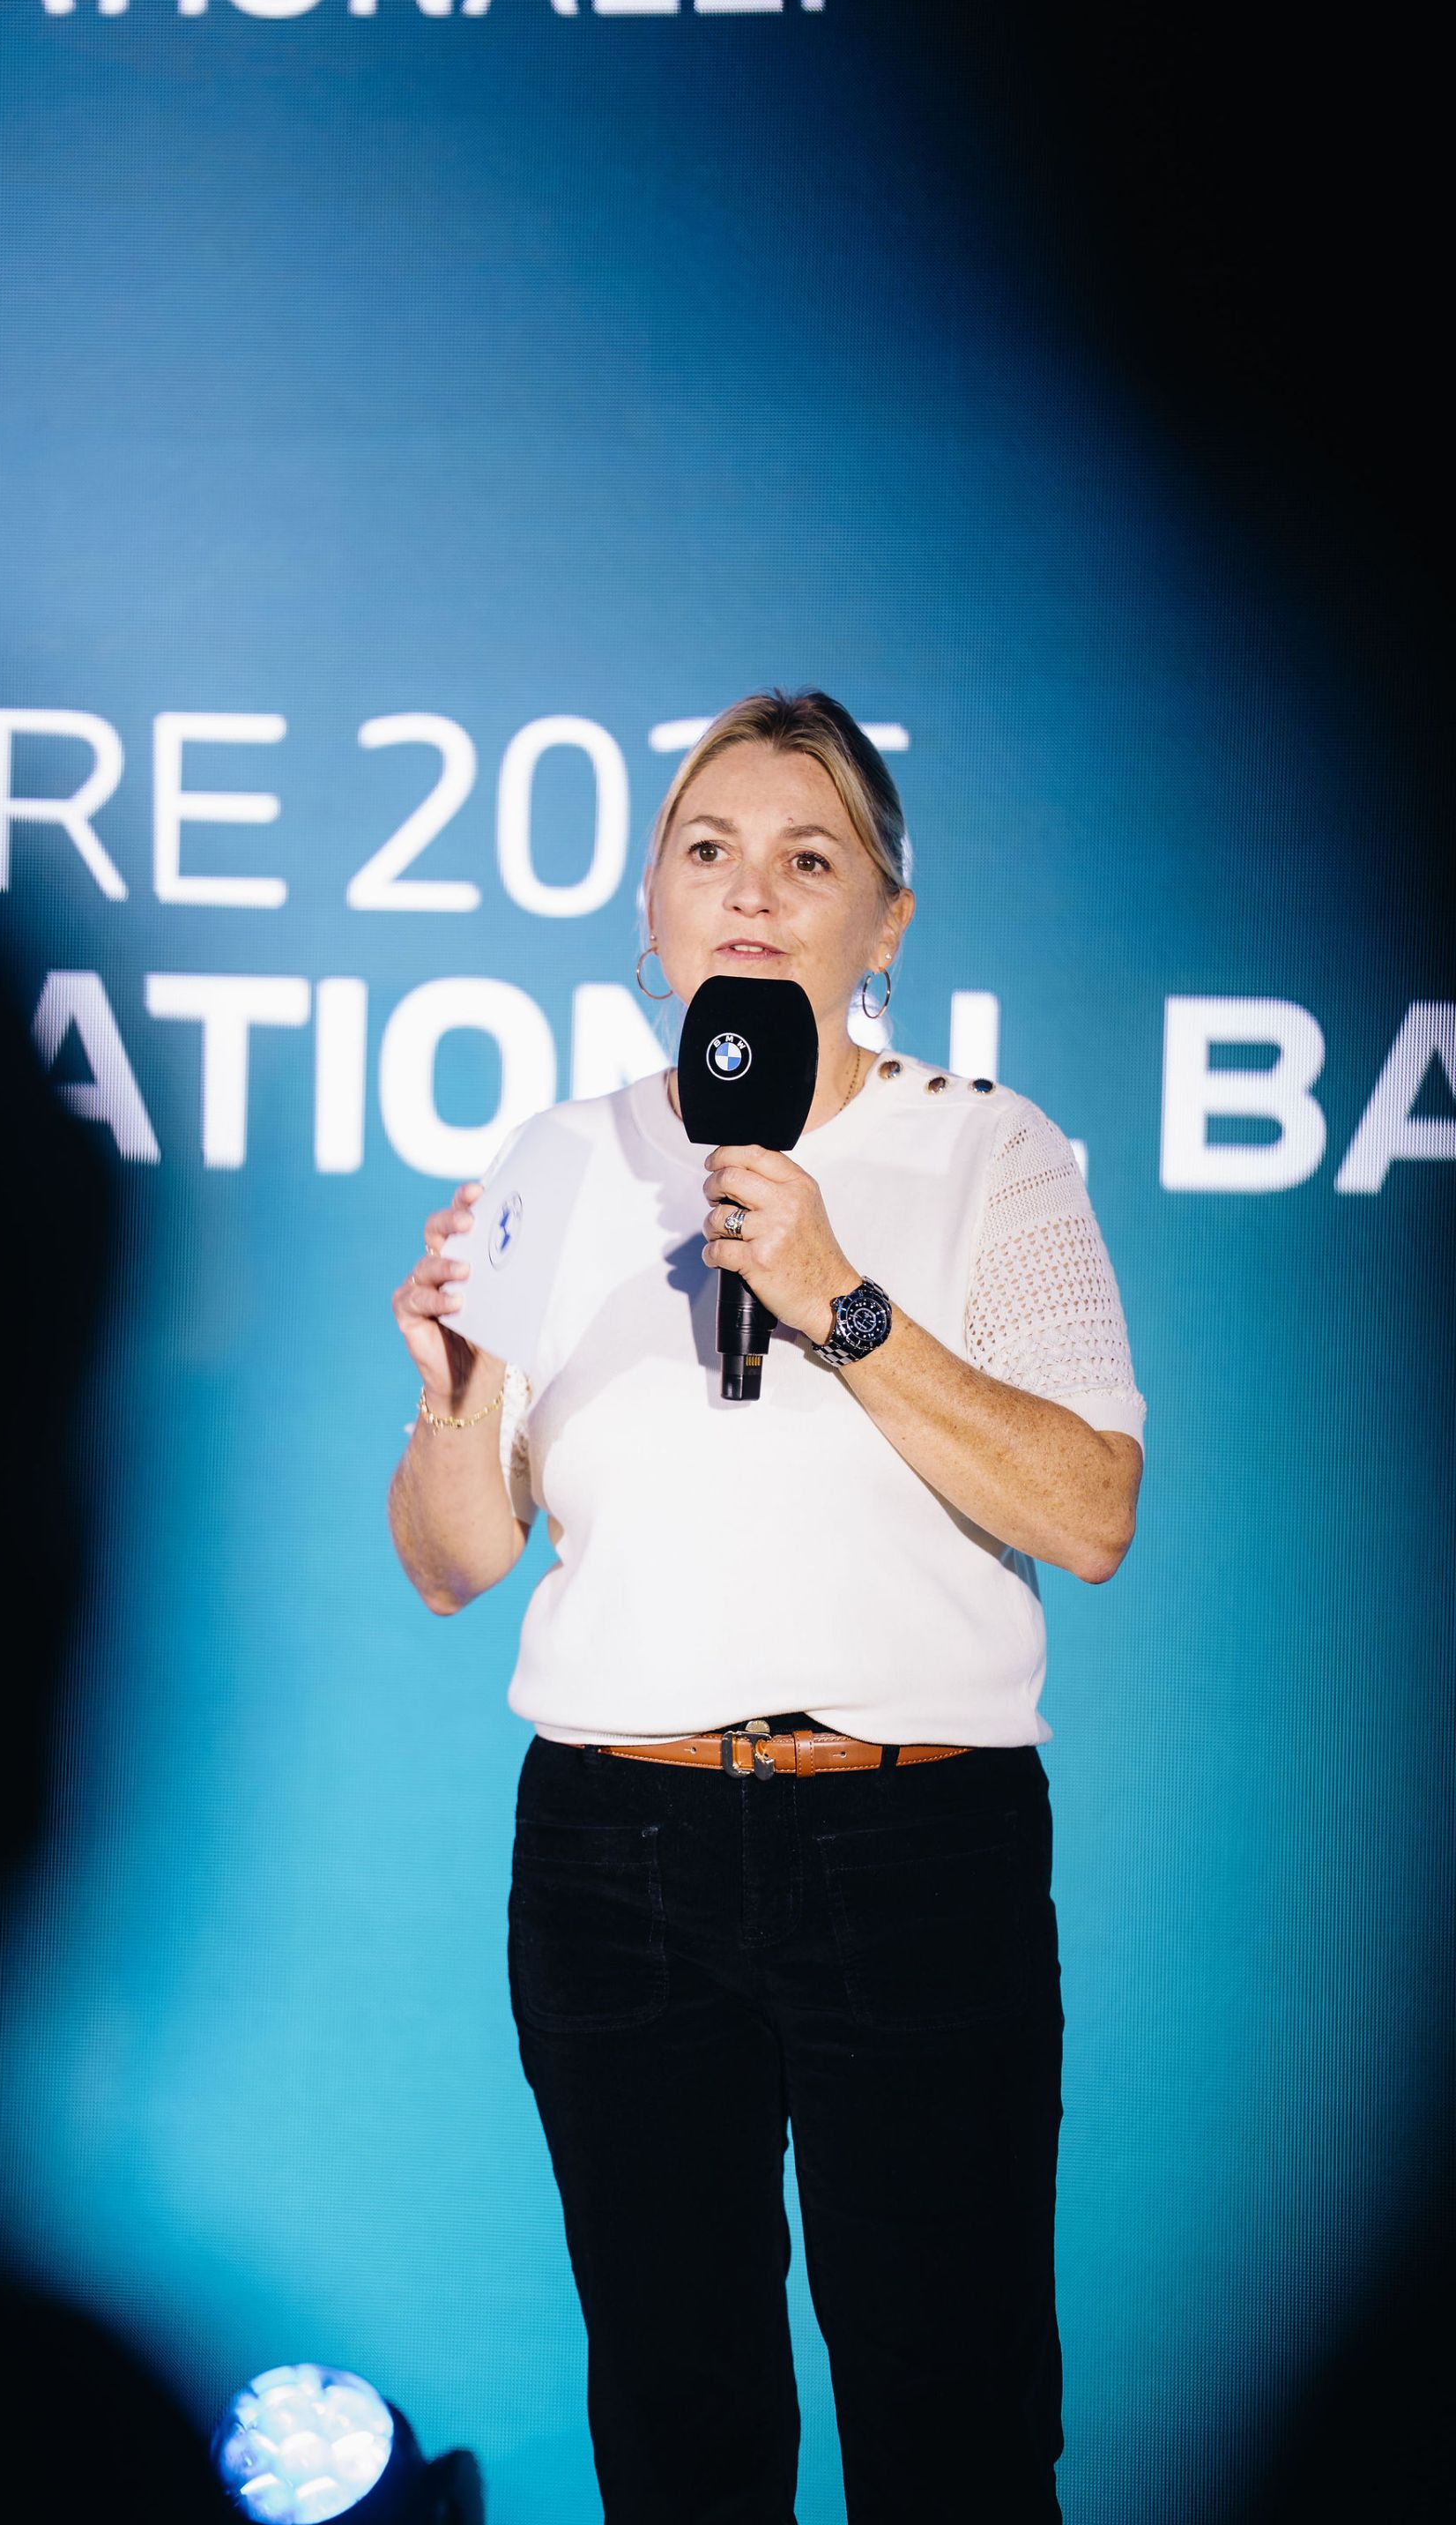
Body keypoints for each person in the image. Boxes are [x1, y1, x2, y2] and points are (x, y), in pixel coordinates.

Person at [387, 690, 1144, 2525]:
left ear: (886, 925)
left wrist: (836, 1297)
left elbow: (1090, 1513)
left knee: (955, 2424)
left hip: (915, 1848)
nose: (749, 893)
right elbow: (452, 1561)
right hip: (616, 1857)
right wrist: (449, 1396)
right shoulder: (558, 1162)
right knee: (679, 2429)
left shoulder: (992, 1151)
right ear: (650, 908)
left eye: (810, 859)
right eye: (708, 851)